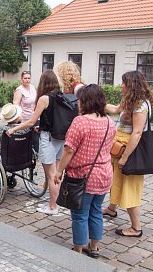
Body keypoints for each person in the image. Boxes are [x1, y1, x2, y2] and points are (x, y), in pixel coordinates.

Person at [54, 84, 116, 257]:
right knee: (96, 211)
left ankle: (79, 248)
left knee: (80, 214)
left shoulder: (80, 122)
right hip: (104, 174)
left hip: (83, 177)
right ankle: (94, 247)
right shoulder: (110, 123)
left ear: (85, 101)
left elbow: (68, 150)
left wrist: (59, 171)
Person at [102, 70, 153, 237]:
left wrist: (125, 157)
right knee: (116, 180)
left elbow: (137, 133)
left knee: (130, 186)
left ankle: (136, 227)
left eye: (124, 83)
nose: (121, 85)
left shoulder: (140, 105)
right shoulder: (130, 100)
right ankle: (111, 209)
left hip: (129, 149)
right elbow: (115, 109)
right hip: (120, 145)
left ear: (132, 85)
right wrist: (96, 102)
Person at [7, 70, 63, 215]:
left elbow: (31, 121)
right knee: (57, 174)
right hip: (60, 139)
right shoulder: (61, 96)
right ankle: (56, 202)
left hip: (48, 139)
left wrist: (14, 130)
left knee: (51, 176)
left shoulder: (44, 98)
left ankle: (52, 206)